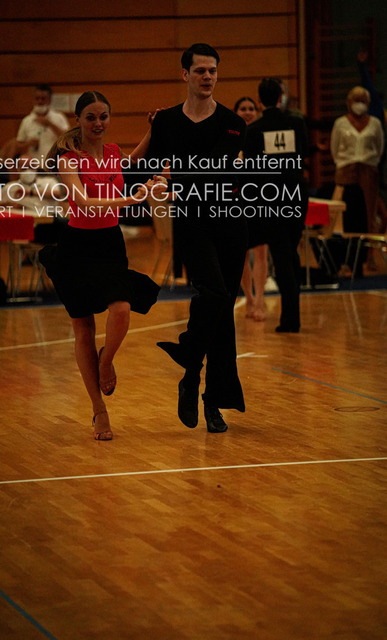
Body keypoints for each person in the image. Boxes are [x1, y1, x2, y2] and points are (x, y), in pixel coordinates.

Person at [39, 91, 166, 441]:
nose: (98, 123)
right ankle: (99, 409)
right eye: (91, 117)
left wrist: (153, 130)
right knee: (83, 328)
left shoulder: (111, 153)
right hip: (77, 248)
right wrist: (130, 199)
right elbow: (82, 201)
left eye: (104, 117)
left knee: (121, 308)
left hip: (110, 244)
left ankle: (106, 359)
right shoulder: (69, 159)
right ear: (78, 120)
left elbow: (131, 163)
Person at [146, 43, 248, 433]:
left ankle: (207, 396)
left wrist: (175, 176)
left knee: (221, 311)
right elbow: (148, 168)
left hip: (230, 224)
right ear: (185, 74)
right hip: (192, 222)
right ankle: (191, 370)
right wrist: (154, 137)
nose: (207, 77)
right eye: (200, 70)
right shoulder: (167, 121)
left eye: (213, 71)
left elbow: (214, 170)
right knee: (215, 295)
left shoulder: (233, 123)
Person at [243, 77, 309, 333]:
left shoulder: (254, 130)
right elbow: (302, 155)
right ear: (281, 97)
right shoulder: (296, 123)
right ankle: (292, 315)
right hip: (296, 195)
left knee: (282, 257)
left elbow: (250, 171)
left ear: (259, 100)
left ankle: (291, 319)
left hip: (271, 199)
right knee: (290, 253)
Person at [331, 85, 385, 244]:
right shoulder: (340, 123)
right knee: (347, 212)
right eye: (357, 100)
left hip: (368, 170)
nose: (359, 104)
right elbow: (334, 148)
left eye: (363, 101)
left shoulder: (375, 123)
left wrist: (370, 164)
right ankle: (347, 248)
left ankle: (368, 250)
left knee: (369, 211)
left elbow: (379, 147)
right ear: (349, 102)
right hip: (346, 170)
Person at [234, 96, 268, 321]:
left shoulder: (263, 135)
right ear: (236, 112)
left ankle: (260, 299)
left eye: (251, 108)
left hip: (260, 198)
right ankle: (249, 297)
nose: (247, 112)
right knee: (242, 253)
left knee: (262, 250)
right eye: (243, 109)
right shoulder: (231, 137)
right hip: (237, 200)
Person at [16, 84, 70, 167]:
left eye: (43, 98)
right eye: (37, 98)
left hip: (54, 166)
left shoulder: (59, 117)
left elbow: (68, 139)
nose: (40, 101)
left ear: (49, 100)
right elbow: (18, 146)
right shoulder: (26, 121)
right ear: (33, 100)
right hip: (34, 167)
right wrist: (29, 143)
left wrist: (50, 124)